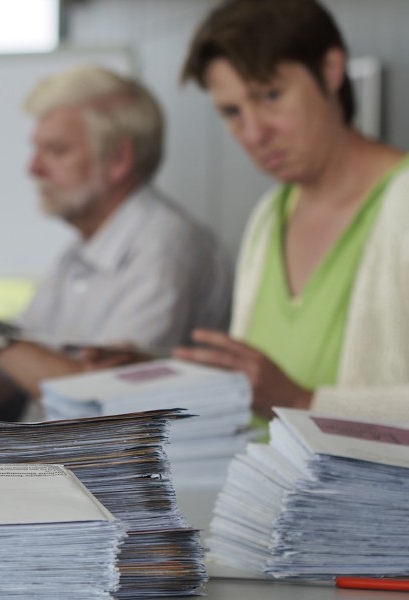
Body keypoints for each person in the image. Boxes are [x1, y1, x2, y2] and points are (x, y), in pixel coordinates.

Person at [0, 66, 232, 417]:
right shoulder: (77, 254)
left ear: (118, 159)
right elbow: (4, 376)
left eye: (56, 150)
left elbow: (105, 398)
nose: (33, 168)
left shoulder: (164, 249)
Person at [176, 0, 409, 424]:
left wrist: (302, 401)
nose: (253, 133)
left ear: (331, 69)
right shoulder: (269, 216)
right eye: (231, 112)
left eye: (270, 95)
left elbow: (285, 397)